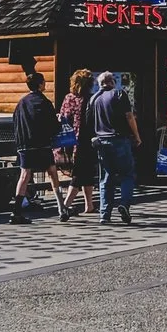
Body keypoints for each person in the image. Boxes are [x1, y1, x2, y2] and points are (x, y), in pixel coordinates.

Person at [85, 72, 139, 225]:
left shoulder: (93, 99)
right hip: (120, 139)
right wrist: (136, 135)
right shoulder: (119, 94)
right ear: (113, 82)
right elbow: (129, 116)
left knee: (106, 178)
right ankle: (124, 203)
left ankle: (105, 214)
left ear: (100, 83)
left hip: (101, 141)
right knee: (127, 174)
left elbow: (88, 122)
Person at [9, 69, 59, 223]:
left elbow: (15, 121)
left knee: (24, 175)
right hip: (42, 144)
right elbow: (53, 126)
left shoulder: (21, 103)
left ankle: (16, 211)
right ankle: (61, 206)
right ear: (40, 84)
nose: (46, 84)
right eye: (44, 81)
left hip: (24, 144)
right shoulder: (44, 102)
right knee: (52, 171)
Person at [54, 70, 93, 220]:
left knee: (84, 171)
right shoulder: (90, 99)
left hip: (69, 141)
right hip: (86, 140)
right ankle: (66, 206)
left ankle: (87, 205)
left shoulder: (68, 98)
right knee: (81, 173)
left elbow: (62, 117)